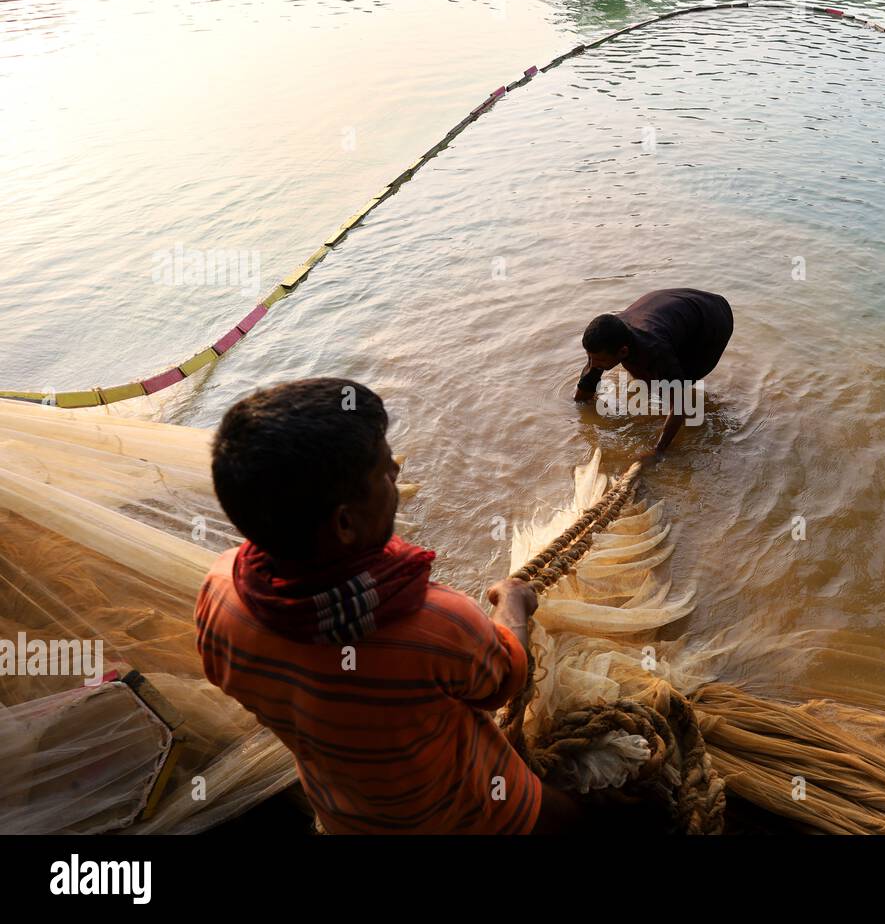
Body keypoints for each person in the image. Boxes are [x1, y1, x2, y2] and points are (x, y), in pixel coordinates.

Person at [194, 377, 581, 833]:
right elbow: (504, 682)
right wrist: (512, 605)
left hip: (344, 815)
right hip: (472, 812)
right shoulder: (436, 623)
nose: (396, 471)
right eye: (382, 468)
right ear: (344, 522)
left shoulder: (220, 593)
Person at [574, 288, 732, 454]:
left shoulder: (655, 350)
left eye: (600, 360)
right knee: (652, 380)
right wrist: (580, 411)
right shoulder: (605, 340)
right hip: (675, 311)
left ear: (623, 352)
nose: (594, 364)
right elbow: (585, 389)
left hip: (713, 319)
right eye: (590, 357)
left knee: (680, 384)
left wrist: (657, 451)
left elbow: (680, 407)